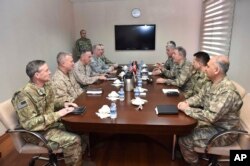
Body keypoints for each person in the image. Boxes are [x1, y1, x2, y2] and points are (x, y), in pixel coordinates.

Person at [11, 60, 84, 166]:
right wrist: (58, 114)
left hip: (50, 125)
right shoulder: (23, 96)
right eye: (46, 70)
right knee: (73, 140)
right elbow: (29, 124)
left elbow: (51, 103)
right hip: (37, 133)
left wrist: (64, 104)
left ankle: (75, 157)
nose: (50, 72)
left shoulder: (46, 85)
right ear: (37, 75)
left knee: (80, 128)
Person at [177, 55, 243, 165]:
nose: (205, 68)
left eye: (208, 66)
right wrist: (187, 102)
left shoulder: (227, 92)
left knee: (185, 139)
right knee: (182, 128)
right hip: (213, 125)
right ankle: (186, 152)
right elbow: (200, 97)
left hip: (223, 132)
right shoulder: (211, 82)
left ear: (216, 70)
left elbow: (211, 117)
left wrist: (187, 110)